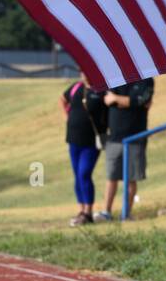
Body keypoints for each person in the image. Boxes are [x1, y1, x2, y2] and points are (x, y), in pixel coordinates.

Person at [95, 76, 154, 221]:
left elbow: (140, 100)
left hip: (135, 138)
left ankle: (126, 214)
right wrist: (126, 101)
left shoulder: (146, 80)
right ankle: (106, 212)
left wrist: (118, 100)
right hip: (114, 137)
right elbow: (107, 99)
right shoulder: (115, 78)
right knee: (111, 177)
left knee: (131, 179)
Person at [62, 73, 108, 226]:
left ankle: (88, 212)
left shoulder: (101, 90)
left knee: (84, 173)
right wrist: (67, 116)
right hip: (73, 140)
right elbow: (63, 99)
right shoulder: (76, 87)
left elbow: (107, 113)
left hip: (92, 142)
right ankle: (81, 210)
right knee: (77, 175)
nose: (85, 75)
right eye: (82, 72)